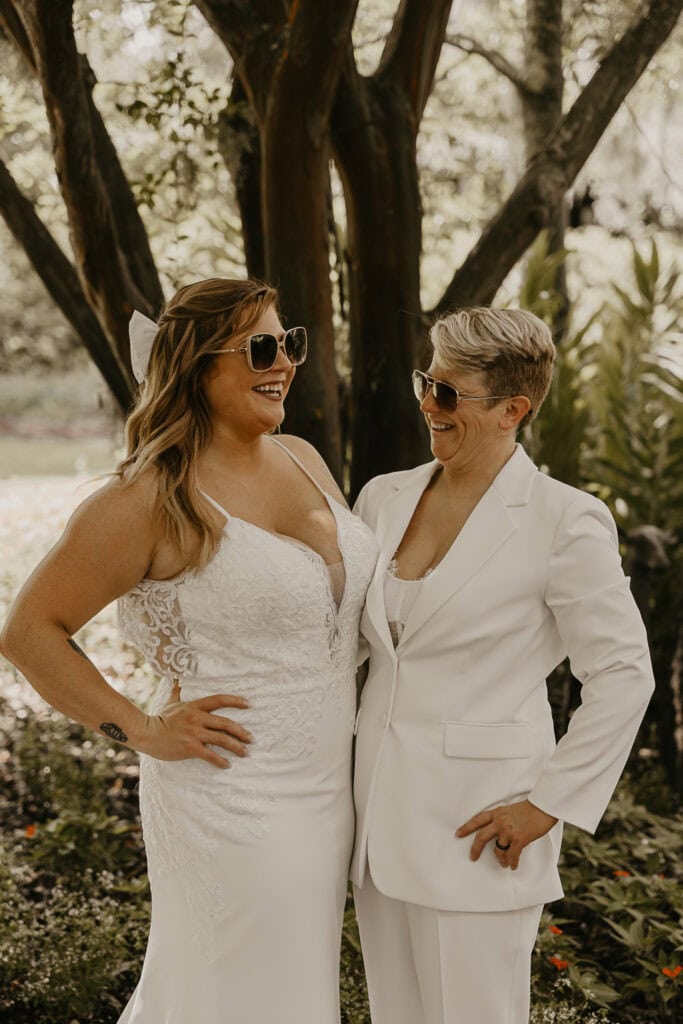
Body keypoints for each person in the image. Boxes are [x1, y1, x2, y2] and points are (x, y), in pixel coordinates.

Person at [0, 277, 379, 1023]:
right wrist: (139, 728)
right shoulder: (148, 498)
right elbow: (28, 630)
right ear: (197, 369)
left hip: (327, 789)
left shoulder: (302, 457)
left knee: (296, 990)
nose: (285, 364)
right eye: (261, 348)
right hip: (226, 793)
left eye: (288, 343)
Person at [350, 307, 655, 1024]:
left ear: (511, 410)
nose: (428, 403)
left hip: (481, 827)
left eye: (449, 392)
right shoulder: (380, 498)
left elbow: (621, 673)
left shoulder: (562, 519)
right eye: (427, 381)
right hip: (373, 826)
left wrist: (549, 803)